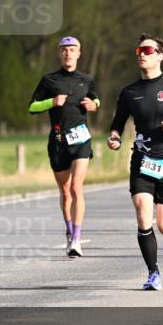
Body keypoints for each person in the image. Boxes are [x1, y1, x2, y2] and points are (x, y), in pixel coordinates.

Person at [107, 34, 163, 290]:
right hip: (143, 158)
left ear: (160, 55)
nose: (142, 54)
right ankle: (153, 273)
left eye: (148, 50)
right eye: (139, 50)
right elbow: (117, 124)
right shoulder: (129, 92)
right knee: (141, 210)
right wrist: (114, 137)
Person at [28, 36, 99, 257]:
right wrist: (51, 102)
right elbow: (32, 106)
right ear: (59, 53)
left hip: (81, 140)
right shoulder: (49, 80)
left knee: (77, 186)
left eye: (72, 49)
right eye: (64, 50)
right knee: (66, 191)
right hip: (58, 142)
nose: (68, 53)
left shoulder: (87, 80)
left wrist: (94, 104)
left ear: (80, 53)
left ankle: (76, 240)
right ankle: (69, 232)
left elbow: (96, 99)